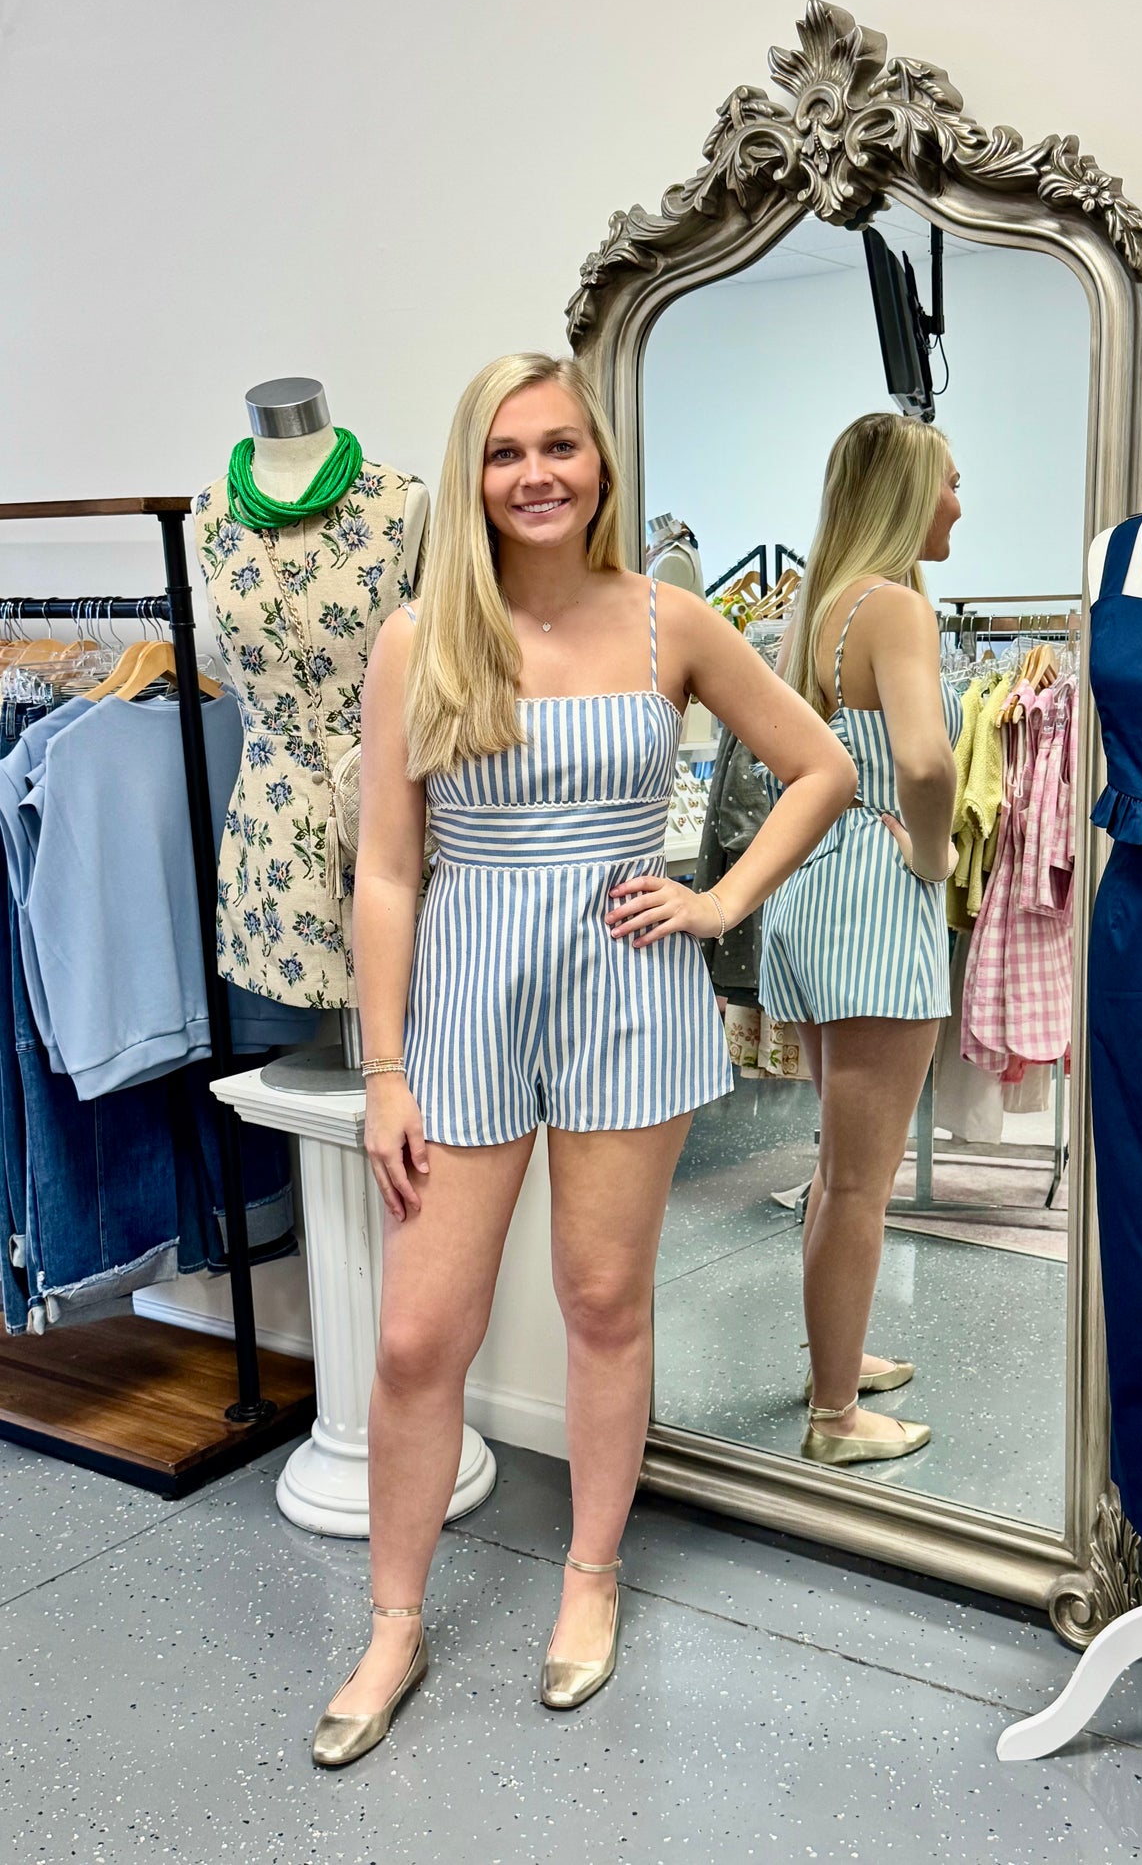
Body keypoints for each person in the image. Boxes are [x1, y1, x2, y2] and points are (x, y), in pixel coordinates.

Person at [311, 353, 855, 1765]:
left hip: (625, 986)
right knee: (418, 1335)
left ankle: (591, 1575)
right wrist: (383, 1070)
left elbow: (823, 768)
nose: (536, 473)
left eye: (560, 444)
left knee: (604, 1299)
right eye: (505, 452)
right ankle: (392, 1621)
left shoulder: (672, 619)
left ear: (599, 462)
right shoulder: (418, 635)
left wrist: (719, 902)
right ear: (471, 474)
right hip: (464, 996)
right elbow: (386, 869)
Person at [761, 412, 962, 1467]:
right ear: (904, 494)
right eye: (948, 482)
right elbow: (924, 763)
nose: (958, 503)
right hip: (878, 896)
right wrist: (932, 857)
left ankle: (831, 1363)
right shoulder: (896, 608)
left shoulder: (820, 610)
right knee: (857, 1180)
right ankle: (836, 1416)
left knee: (836, 1166)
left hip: (812, 890)